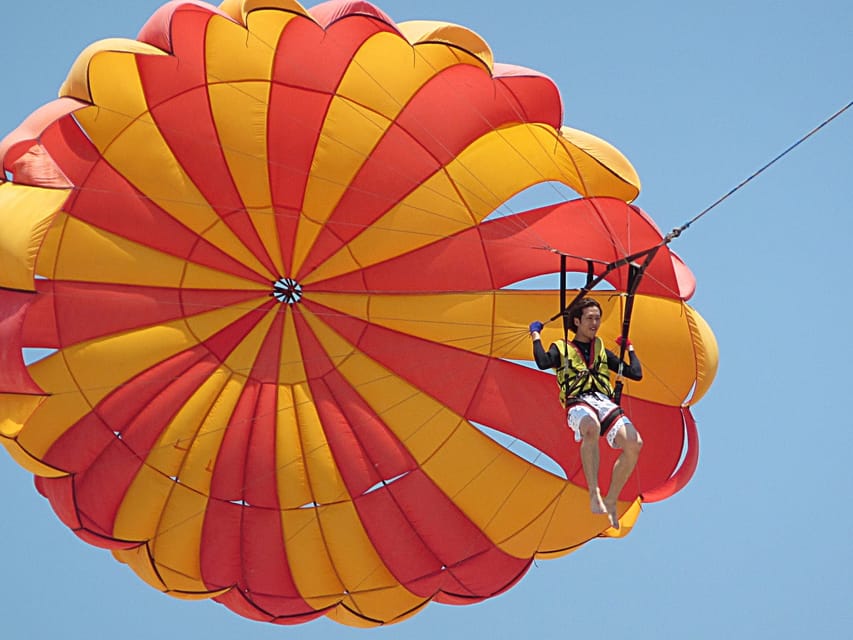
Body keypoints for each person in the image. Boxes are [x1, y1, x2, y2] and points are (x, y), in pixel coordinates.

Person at [529, 298, 643, 529]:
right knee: (591, 428)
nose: (595, 323)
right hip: (578, 401)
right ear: (578, 321)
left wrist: (629, 347)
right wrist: (536, 335)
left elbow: (635, 373)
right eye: (590, 318)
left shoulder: (601, 348)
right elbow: (542, 362)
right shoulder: (561, 348)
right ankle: (594, 493)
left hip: (604, 402)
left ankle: (611, 498)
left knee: (634, 443)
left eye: (598, 318)